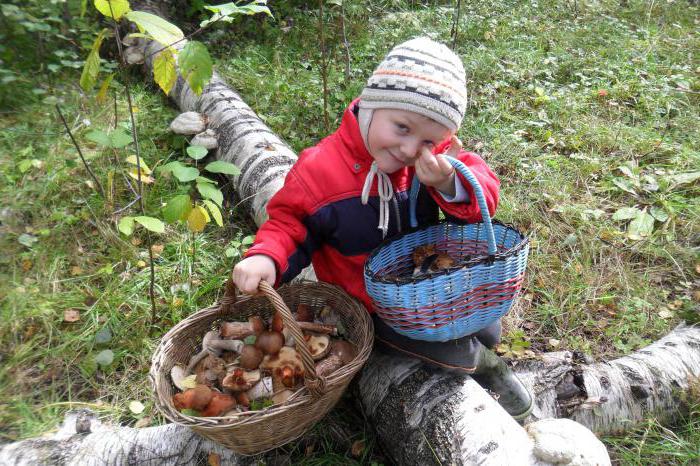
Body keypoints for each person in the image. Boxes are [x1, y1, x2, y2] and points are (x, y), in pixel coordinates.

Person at [232, 37, 532, 419]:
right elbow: (289, 224)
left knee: (490, 328)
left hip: (429, 285)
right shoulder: (321, 171)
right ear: (371, 105)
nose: (410, 149)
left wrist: (447, 183)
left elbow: (483, 192)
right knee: (458, 352)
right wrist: (267, 257)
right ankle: (489, 368)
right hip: (372, 304)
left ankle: (475, 341)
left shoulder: (435, 161)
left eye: (428, 140)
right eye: (402, 127)